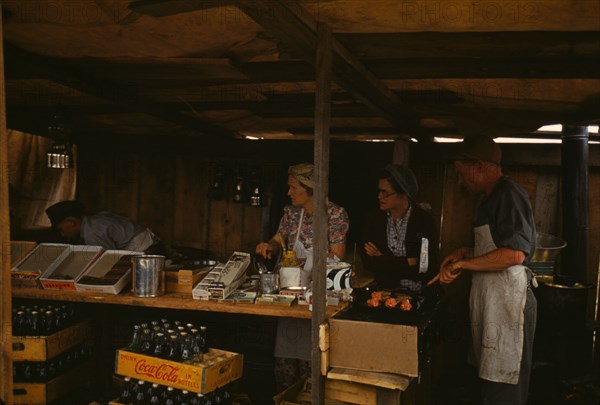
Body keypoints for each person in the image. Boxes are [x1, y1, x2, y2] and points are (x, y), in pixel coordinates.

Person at [428, 136, 537, 405]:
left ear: (479, 166)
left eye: (461, 174)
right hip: (493, 304)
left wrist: (465, 264)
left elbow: (514, 253)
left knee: (504, 381)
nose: (459, 182)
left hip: (510, 304)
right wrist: (465, 252)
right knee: (489, 379)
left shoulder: (509, 195)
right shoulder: (489, 199)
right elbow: (496, 249)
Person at [255, 163, 349, 390]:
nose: (289, 193)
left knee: (313, 361)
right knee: (286, 361)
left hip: (316, 299)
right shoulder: (291, 213)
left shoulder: (335, 215)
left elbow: (337, 257)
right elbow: (279, 240)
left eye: (293, 188)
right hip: (289, 297)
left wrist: (309, 264)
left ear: (310, 188)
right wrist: (268, 246)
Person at [360, 164, 438, 291]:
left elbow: (426, 267)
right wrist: (407, 262)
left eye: (385, 192)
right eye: (379, 191)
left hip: (418, 294)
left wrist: (383, 259)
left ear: (403, 194)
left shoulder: (424, 221)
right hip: (383, 292)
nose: (379, 196)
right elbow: (369, 263)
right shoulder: (373, 219)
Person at [45, 200, 164, 254]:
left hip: (147, 251)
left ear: (71, 222)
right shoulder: (95, 219)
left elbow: (108, 261)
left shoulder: (92, 233)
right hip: (153, 244)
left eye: (61, 229)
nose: (62, 234)